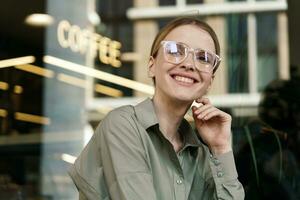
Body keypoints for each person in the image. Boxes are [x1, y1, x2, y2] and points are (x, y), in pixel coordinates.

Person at [69, 17, 245, 200]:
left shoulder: (198, 153)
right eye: (175, 50)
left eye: (203, 58)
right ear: (152, 66)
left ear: (210, 82)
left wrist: (220, 147)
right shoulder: (122, 125)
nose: (189, 64)